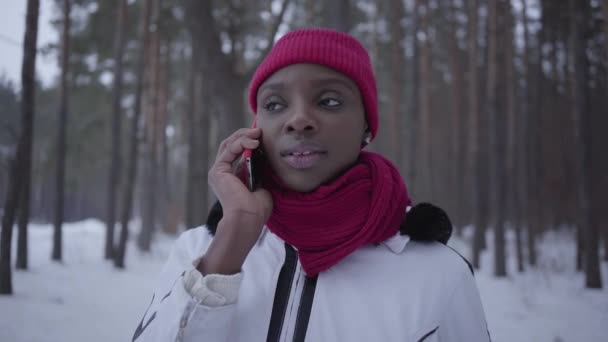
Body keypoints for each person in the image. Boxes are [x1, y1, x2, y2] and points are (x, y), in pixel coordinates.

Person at [132, 28, 491, 342]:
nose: (298, 119)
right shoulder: (198, 251)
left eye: (329, 101)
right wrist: (227, 252)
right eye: (275, 104)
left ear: (367, 125)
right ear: (257, 127)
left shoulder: (438, 274)